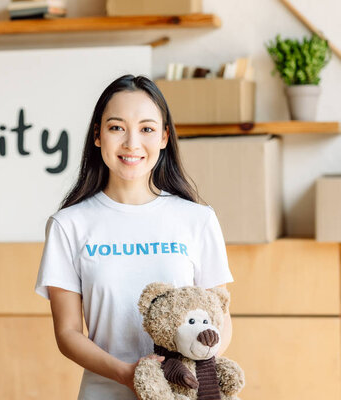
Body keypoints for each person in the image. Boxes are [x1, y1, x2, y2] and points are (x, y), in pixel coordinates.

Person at [34, 74, 234, 400]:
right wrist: (129, 375)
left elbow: (221, 317)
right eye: (116, 127)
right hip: (105, 392)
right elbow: (68, 333)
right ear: (97, 135)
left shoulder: (198, 219)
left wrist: (187, 368)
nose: (131, 143)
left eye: (147, 129)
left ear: (165, 137)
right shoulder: (68, 225)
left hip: (184, 393)